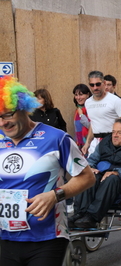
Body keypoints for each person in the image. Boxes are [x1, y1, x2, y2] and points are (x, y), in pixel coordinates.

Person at [0, 76, 95, 265]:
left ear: (23, 108)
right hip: (5, 238)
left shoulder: (56, 138)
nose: (4, 123)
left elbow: (87, 177)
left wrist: (54, 195)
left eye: (8, 114)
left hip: (47, 238)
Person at [69, 119, 121, 228]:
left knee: (112, 178)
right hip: (102, 179)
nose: (115, 135)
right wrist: (90, 168)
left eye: (120, 133)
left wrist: (117, 172)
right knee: (89, 177)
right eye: (113, 132)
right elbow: (92, 160)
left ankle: (92, 217)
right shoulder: (105, 142)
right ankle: (80, 214)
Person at [82, 71, 121, 156]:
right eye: (92, 85)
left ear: (104, 83)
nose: (95, 88)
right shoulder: (88, 102)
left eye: (98, 84)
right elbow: (93, 123)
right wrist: (87, 143)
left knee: (109, 167)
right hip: (95, 142)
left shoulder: (115, 100)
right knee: (91, 167)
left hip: (112, 141)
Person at [72, 84, 92, 149]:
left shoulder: (91, 109)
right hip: (79, 145)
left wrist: (81, 115)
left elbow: (90, 126)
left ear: (88, 95)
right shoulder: (78, 110)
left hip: (90, 145)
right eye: (76, 95)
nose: (78, 97)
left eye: (81, 94)